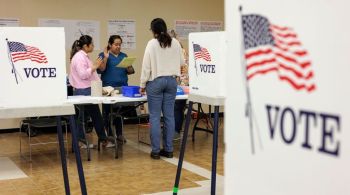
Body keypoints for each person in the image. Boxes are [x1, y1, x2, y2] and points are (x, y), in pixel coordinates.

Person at [140, 18, 185, 159]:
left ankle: (155, 151)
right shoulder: (175, 42)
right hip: (172, 81)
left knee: (154, 116)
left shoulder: (152, 44)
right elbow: (182, 62)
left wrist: (142, 84)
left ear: (153, 30)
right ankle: (169, 150)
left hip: (156, 82)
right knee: (169, 116)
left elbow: (146, 66)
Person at [69, 35, 114, 148]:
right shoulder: (79, 57)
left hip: (88, 90)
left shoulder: (84, 56)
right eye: (92, 44)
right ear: (85, 46)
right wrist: (94, 66)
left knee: (86, 117)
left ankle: (83, 141)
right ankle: (94, 140)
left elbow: (90, 73)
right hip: (84, 91)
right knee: (90, 117)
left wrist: (95, 66)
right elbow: (83, 75)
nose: (93, 46)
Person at [98, 35, 135, 144]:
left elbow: (131, 71)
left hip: (122, 88)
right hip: (108, 89)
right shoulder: (103, 55)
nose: (118, 46)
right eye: (116, 44)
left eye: (120, 44)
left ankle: (119, 134)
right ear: (110, 44)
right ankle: (108, 135)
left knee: (119, 113)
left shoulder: (124, 56)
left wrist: (128, 66)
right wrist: (105, 57)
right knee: (107, 112)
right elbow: (101, 69)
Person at [169, 30, 189, 141]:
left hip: (181, 84)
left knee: (177, 108)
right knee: (175, 108)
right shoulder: (180, 50)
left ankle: (176, 131)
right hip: (178, 83)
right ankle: (174, 130)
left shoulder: (179, 51)